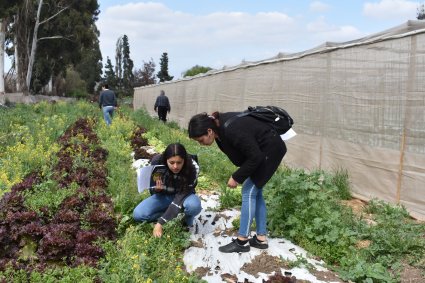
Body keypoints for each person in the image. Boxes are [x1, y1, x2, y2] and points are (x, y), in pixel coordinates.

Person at [188, 111, 286, 253]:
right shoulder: (219, 130)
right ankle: (261, 239)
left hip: (270, 151)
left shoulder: (231, 129)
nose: (201, 144)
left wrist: (237, 177)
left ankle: (242, 241)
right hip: (262, 151)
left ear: (209, 131)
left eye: (200, 140)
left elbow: (255, 156)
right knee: (255, 192)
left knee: (248, 191)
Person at [133, 143, 202, 237]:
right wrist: (157, 190)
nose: (175, 167)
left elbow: (181, 197)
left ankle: (185, 216)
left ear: (184, 161)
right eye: (172, 162)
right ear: (166, 160)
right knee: (138, 214)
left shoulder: (193, 167)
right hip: (164, 195)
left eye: (179, 162)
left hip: (185, 196)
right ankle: (173, 215)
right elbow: (152, 190)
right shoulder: (157, 162)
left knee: (194, 206)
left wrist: (160, 223)